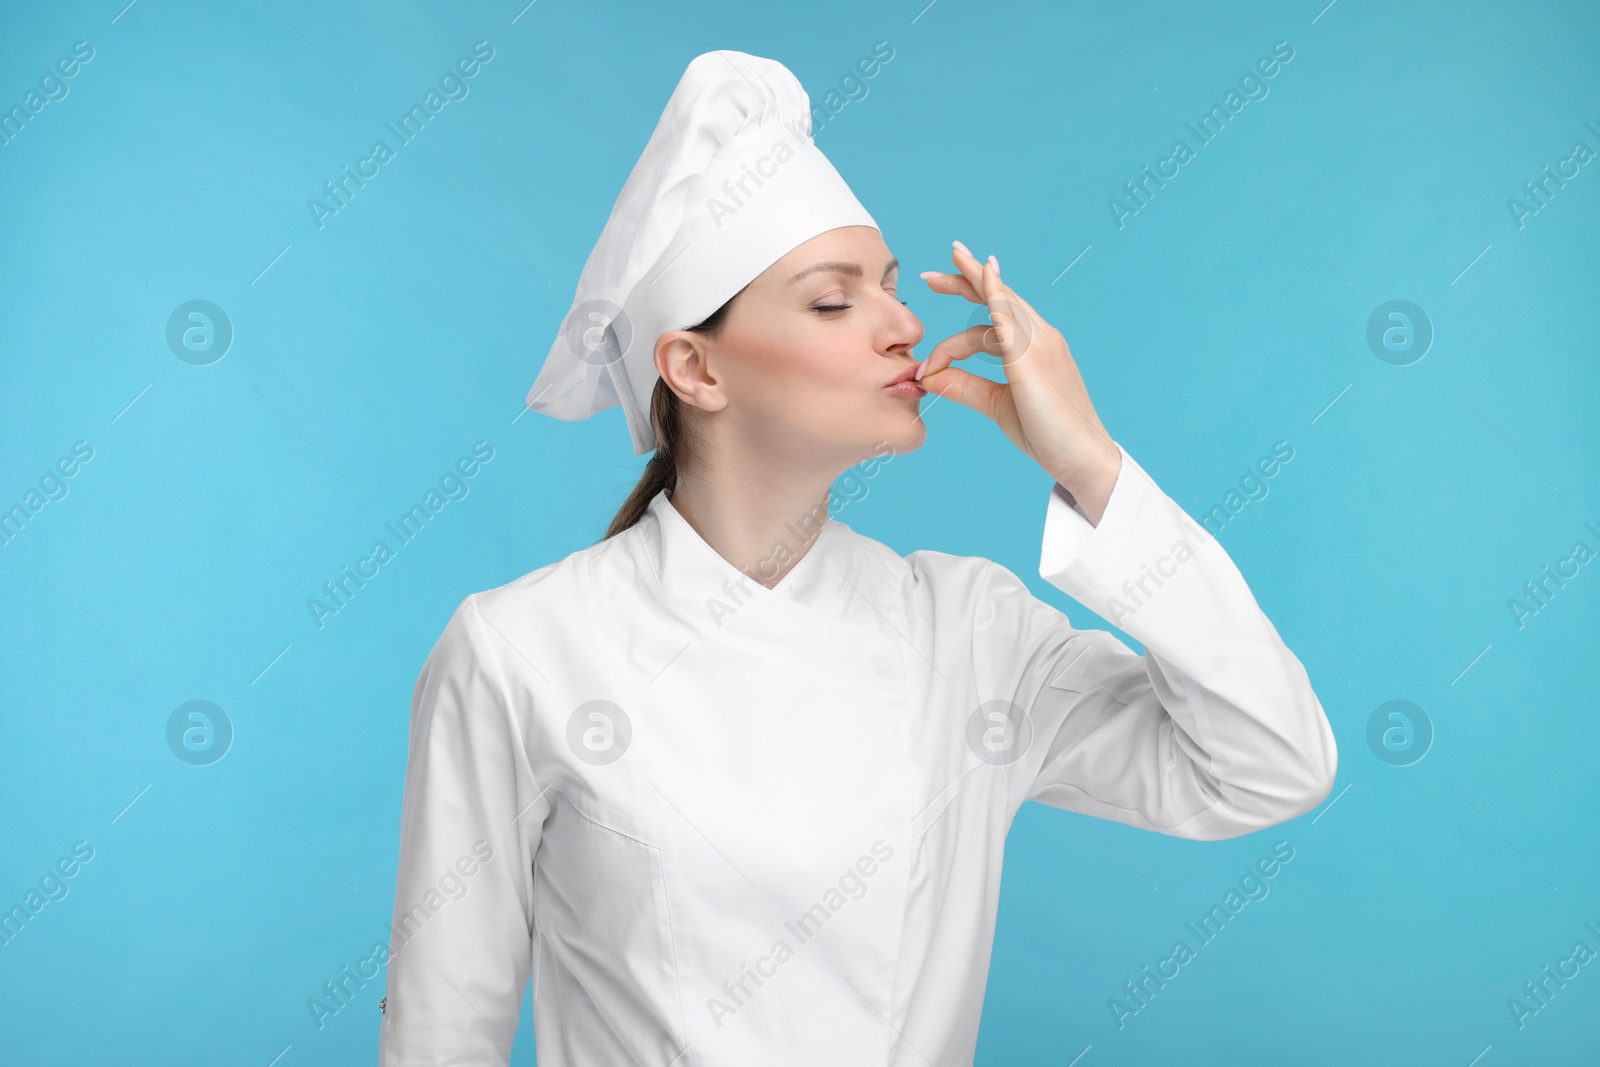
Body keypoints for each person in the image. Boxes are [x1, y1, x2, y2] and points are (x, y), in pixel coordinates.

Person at [377, 50, 1337, 1067]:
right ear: (695, 367)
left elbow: (1270, 766)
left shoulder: (967, 631)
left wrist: (1091, 464)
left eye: (890, 287)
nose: (907, 325)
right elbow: (446, 1027)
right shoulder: (520, 649)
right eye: (836, 302)